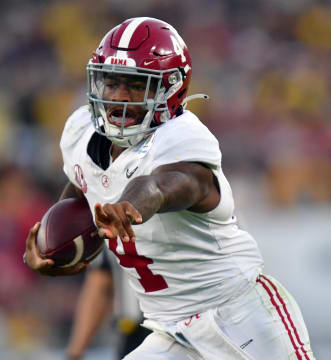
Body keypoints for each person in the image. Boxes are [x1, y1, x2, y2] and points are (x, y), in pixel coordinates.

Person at [24, 17, 315, 359]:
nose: (118, 98)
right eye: (111, 83)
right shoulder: (80, 132)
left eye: (134, 85)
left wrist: (130, 205)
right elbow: (82, 187)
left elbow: (164, 185)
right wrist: (55, 244)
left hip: (241, 316)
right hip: (170, 330)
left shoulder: (184, 136)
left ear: (170, 88)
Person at [66, 248, 151, 360]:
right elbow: (101, 284)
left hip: (142, 331)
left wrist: (76, 351)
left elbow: (101, 285)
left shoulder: (109, 232)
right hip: (138, 331)